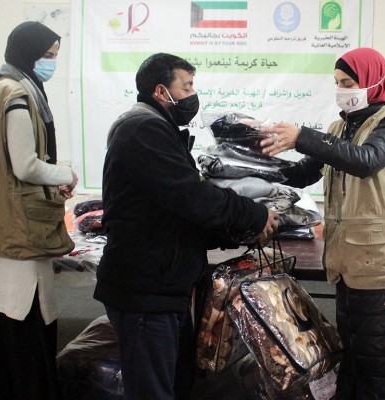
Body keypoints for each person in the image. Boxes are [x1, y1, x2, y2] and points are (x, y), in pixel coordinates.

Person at [261, 47, 385, 399]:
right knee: (362, 365)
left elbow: (366, 160)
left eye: (348, 83)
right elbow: (302, 174)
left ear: (375, 81)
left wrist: (302, 137)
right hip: (350, 268)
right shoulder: (340, 128)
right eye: (337, 83)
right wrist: (253, 161)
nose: (341, 90)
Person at [93, 52, 279, 400]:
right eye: (187, 86)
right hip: (145, 292)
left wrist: (237, 231)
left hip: (163, 287)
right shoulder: (143, 129)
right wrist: (252, 215)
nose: (193, 95)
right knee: (153, 392)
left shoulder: (158, 129)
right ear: (161, 91)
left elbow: (177, 213)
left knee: (177, 385)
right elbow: (191, 196)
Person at [0, 21, 78, 399]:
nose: (50, 63)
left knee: (3, 326)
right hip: (19, 228)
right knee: (25, 323)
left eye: (54, 56)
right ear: (27, 52)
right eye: (46, 55)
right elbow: (26, 166)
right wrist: (66, 174)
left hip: (0, 224)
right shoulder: (18, 94)